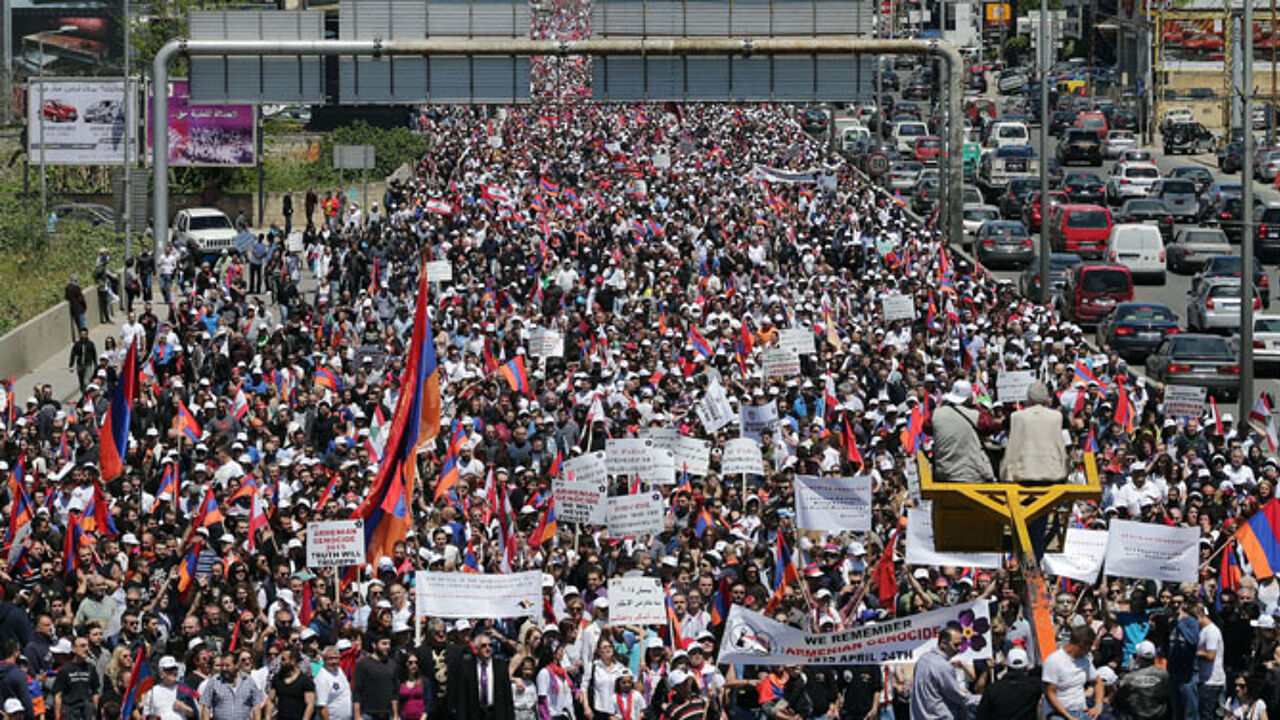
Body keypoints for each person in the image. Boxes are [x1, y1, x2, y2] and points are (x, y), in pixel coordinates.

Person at [1001, 380, 1068, 483]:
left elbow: (1012, 449)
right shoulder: (1057, 417)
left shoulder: (1017, 417)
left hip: (1024, 473)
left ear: (1028, 398)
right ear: (1046, 399)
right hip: (1052, 473)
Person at [930, 380, 997, 482]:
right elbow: (990, 426)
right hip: (970, 475)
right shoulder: (976, 415)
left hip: (944, 473)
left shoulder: (936, 414)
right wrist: (975, 405)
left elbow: (926, 428)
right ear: (969, 397)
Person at [911, 625, 980, 719]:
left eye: (961, 644)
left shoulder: (923, 659)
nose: (960, 649)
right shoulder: (943, 665)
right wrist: (983, 699)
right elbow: (957, 696)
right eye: (956, 645)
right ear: (943, 643)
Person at [449, 630, 514, 720]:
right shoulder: (467, 668)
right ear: (476, 648)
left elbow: (507, 696)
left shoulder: (500, 666)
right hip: (474, 713)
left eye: (490, 645)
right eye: (484, 646)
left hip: (496, 713)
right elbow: (462, 697)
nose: (488, 648)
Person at [1042, 625, 1102, 720]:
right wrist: (1068, 717)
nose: (1090, 650)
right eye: (1089, 647)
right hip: (1059, 714)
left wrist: (1098, 706)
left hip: (1082, 711)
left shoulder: (1085, 661)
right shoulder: (1053, 661)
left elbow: (1098, 682)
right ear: (1082, 645)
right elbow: (1050, 692)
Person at [975, 648, 1040, 720]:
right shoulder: (1035, 687)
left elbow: (981, 715)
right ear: (1027, 666)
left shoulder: (993, 690)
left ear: (1007, 666)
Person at [200, 651, 267, 720]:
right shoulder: (214, 681)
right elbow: (206, 706)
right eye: (222, 665)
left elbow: (256, 706)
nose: (224, 669)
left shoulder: (248, 681)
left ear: (236, 665)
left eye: (227, 665)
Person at [1113, 640, 1170, 720]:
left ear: (1139, 657)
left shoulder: (1129, 678)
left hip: (1137, 716)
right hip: (1159, 715)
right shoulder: (1165, 674)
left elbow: (1118, 696)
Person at [51, 636, 98, 720]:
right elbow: (58, 694)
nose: (86, 649)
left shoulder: (91, 668)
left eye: (88, 646)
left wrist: (95, 711)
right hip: (70, 711)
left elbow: (95, 692)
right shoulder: (65, 669)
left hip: (86, 712)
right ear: (73, 649)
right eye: (83, 646)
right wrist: (57, 716)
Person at [353, 635, 400, 720]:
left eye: (389, 644)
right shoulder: (363, 664)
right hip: (368, 713)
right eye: (384, 644)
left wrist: (396, 715)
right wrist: (357, 716)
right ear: (374, 645)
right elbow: (357, 691)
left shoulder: (393, 664)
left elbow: (394, 692)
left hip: (387, 713)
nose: (387, 647)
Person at [141, 655, 198, 720]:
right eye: (169, 670)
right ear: (161, 674)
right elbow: (145, 716)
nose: (173, 672)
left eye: (175, 669)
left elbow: (196, 714)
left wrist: (185, 708)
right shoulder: (153, 692)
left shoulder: (185, 689)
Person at [1198, 604, 1228, 720]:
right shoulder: (1202, 630)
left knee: (1208, 715)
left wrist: (1195, 652)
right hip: (1204, 680)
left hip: (1212, 682)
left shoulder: (1212, 631)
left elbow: (1211, 655)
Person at [268, 649, 316, 720]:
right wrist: (267, 717)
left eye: (283, 660)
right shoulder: (277, 678)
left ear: (293, 661)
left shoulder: (305, 681)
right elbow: (270, 700)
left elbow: (310, 705)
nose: (281, 662)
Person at [315, 645, 354, 720]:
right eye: (330, 658)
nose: (334, 661)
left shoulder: (339, 670)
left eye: (336, 658)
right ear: (324, 659)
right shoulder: (322, 677)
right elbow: (322, 706)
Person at [67, 329, 97, 395]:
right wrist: (71, 365)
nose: (83, 336)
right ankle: (84, 394)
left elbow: (94, 354)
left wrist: (95, 364)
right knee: (81, 383)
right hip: (80, 365)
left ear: (87, 335)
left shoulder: (90, 344)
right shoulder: (77, 344)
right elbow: (73, 354)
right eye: (81, 334)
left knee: (86, 381)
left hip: (88, 365)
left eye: (84, 334)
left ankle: (88, 395)